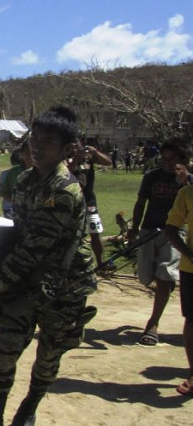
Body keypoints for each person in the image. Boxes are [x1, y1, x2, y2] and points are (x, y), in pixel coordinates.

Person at [0, 106, 96, 426]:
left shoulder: (65, 191)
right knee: (4, 355)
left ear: (67, 148)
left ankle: (27, 411)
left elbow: (34, 248)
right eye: (33, 140)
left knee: (48, 356)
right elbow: (15, 238)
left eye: (48, 142)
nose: (37, 148)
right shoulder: (24, 182)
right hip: (22, 285)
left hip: (63, 288)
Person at [128, 138, 190, 346]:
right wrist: (134, 229)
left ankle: (152, 324)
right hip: (149, 230)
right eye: (163, 158)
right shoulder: (152, 177)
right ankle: (167, 284)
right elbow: (140, 203)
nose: (166, 163)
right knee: (146, 277)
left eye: (171, 159)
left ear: (184, 159)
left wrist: (187, 179)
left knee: (163, 275)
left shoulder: (189, 181)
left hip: (174, 233)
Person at [164, 165, 193, 396]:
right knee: (192, 321)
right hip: (191, 268)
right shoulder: (187, 193)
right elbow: (171, 228)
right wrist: (189, 253)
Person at [67, 140, 113, 269]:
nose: (75, 148)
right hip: (71, 201)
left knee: (95, 230)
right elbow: (64, 173)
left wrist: (95, 152)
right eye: (72, 146)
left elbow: (108, 162)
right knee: (72, 233)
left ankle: (101, 262)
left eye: (77, 145)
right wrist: (76, 159)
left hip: (89, 201)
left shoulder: (88, 158)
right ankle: (72, 263)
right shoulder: (64, 158)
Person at [0, 143, 31, 219]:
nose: (30, 155)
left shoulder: (43, 171)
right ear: (22, 154)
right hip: (11, 210)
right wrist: (17, 203)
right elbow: (1, 191)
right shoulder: (13, 172)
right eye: (27, 152)